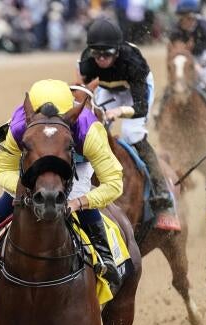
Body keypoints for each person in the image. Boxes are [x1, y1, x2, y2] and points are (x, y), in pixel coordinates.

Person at [0, 79, 124, 289]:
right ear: (30, 114)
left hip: (75, 163)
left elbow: (114, 183)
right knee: (10, 195)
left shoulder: (88, 129)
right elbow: (4, 172)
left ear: (70, 115)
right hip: (34, 161)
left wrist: (77, 203)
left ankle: (105, 257)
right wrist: (26, 191)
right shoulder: (18, 126)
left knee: (77, 191)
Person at [79, 17, 179, 230]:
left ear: (118, 50)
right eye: (97, 54)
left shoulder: (134, 62)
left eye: (107, 54)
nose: (101, 59)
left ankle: (162, 194)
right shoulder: (87, 60)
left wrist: (118, 112)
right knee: (92, 129)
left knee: (132, 133)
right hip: (108, 88)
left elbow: (141, 107)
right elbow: (82, 90)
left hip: (135, 92)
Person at [168, 0, 206, 97]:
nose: (181, 21)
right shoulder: (176, 29)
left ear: (193, 17)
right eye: (180, 18)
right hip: (184, 57)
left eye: (185, 18)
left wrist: (201, 66)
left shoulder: (205, 28)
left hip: (203, 58)